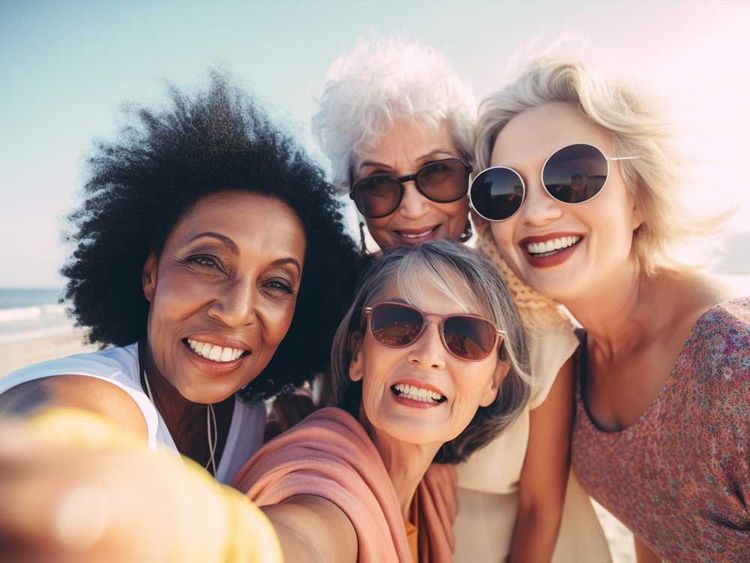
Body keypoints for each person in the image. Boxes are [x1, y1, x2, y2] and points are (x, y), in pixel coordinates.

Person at [0, 73, 359, 559]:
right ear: (150, 274)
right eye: (207, 261)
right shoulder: (96, 393)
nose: (235, 311)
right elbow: (50, 441)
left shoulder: (257, 417)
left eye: (276, 283)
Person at [312, 37, 610, 562]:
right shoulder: (346, 316)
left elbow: (543, 507)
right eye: (379, 185)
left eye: (437, 173)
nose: (411, 207)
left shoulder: (536, 327)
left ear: (472, 175)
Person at [471, 55, 750, 561]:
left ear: (639, 197)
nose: (535, 212)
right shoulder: (576, 361)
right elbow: (657, 526)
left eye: (572, 175)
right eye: (504, 191)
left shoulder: (735, 364)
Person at [235, 240, 531, 562]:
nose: (428, 356)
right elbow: (299, 539)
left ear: (493, 382)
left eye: (467, 337)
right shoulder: (322, 486)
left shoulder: (430, 494)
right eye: (397, 325)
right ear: (358, 354)